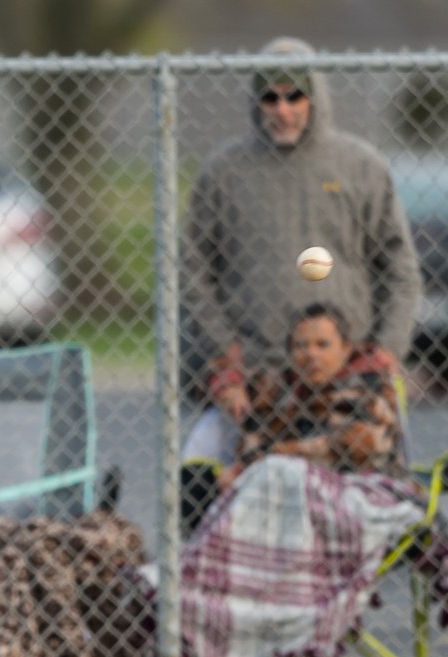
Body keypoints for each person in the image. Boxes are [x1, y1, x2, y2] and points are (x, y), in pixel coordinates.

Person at [180, 303, 448, 657]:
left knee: (274, 474)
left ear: (346, 347)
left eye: (322, 344)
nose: (310, 354)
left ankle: (301, 646)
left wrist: (275, 460)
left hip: (359, 504)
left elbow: (357, 445)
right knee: (232, 492)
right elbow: (251, 449)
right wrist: (257, 466)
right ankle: (212, 637)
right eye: (301, 345)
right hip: (282, 516)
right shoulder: (274, 389)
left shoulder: (370, 385)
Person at [181, 36, 422, 466]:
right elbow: (193, 272)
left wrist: (386, 349)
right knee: (218, 479)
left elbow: (399, 268)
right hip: (258, 377)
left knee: (362, 491)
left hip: (347, 375)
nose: (283, 110)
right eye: (270, 98)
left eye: (295, 96)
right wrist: (222, 356)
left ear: (315, 96)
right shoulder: (225, 174)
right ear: (256, 102)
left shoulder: (361, 167)